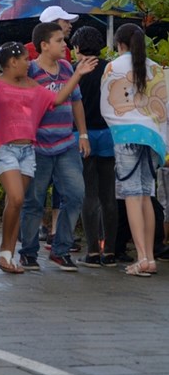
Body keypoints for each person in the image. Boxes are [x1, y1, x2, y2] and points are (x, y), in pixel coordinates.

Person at [0, 42, 96, 274]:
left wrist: (76, 75)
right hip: (4, 148)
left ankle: (7, 254)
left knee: (16, 203)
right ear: (12, 62)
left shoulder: (32, 85)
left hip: (28, 150)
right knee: (17, 199)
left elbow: (56, 100)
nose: (29, 63)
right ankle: (7, 253)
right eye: (26, 59)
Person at [19, 22, 90, 272]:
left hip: (66, 144)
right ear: (44, 45)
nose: (65, 45)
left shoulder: (67, 67)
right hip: (37, 146)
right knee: (34, 201)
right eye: (59, 40)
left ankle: (60, 250)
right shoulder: (30, 71)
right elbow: (40, 104)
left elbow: (76, 102)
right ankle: (28, 251)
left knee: (76, 194)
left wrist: (82, 134)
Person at [100, 23, 168, 277]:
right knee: (146, 196)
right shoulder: (156, 69)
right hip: (153, 139)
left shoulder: (113, 67)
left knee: (131, 196)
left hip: (125, 136)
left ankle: (140, 258)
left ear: (120, 44)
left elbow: (106, 106)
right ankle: (149, 257)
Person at [69, 26, 118, 268]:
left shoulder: (75, 71)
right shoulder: (110, 69)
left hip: (82, 135)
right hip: (108, 134)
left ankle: (92, 252)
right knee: (108, 194)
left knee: (89, 193)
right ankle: (109, 251)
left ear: (77, 48)